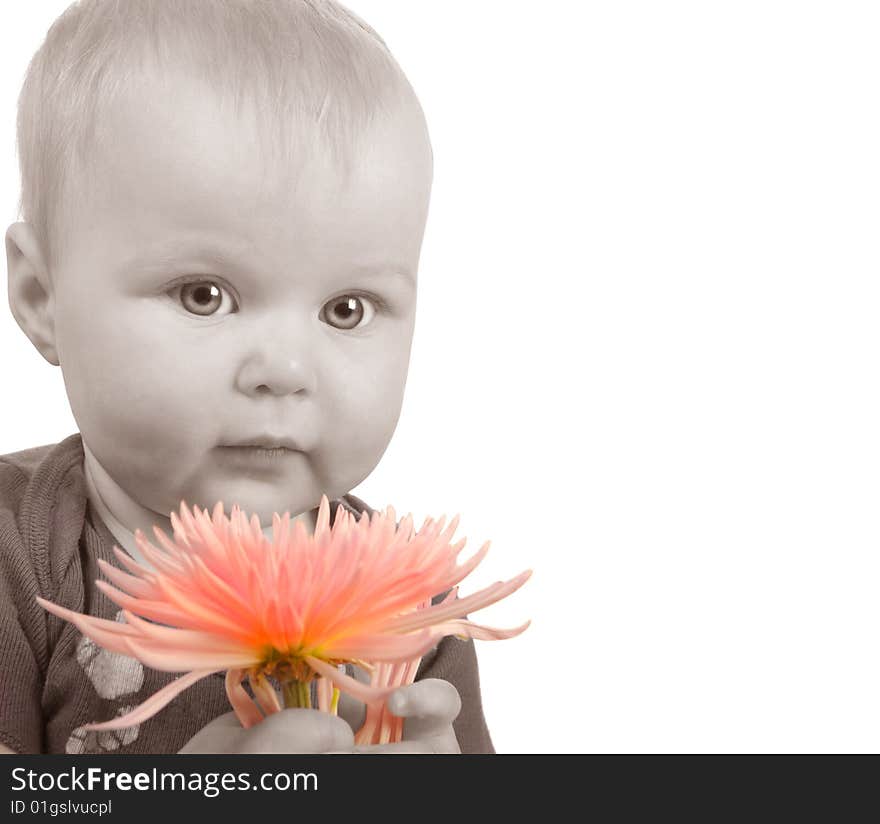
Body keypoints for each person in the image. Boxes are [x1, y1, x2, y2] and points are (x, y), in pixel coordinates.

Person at [0, 0, 494, 755]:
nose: (285, 371)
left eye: (347, 308)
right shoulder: (19, 554)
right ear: (42, 299)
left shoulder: (409, 598)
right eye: (206, 295)